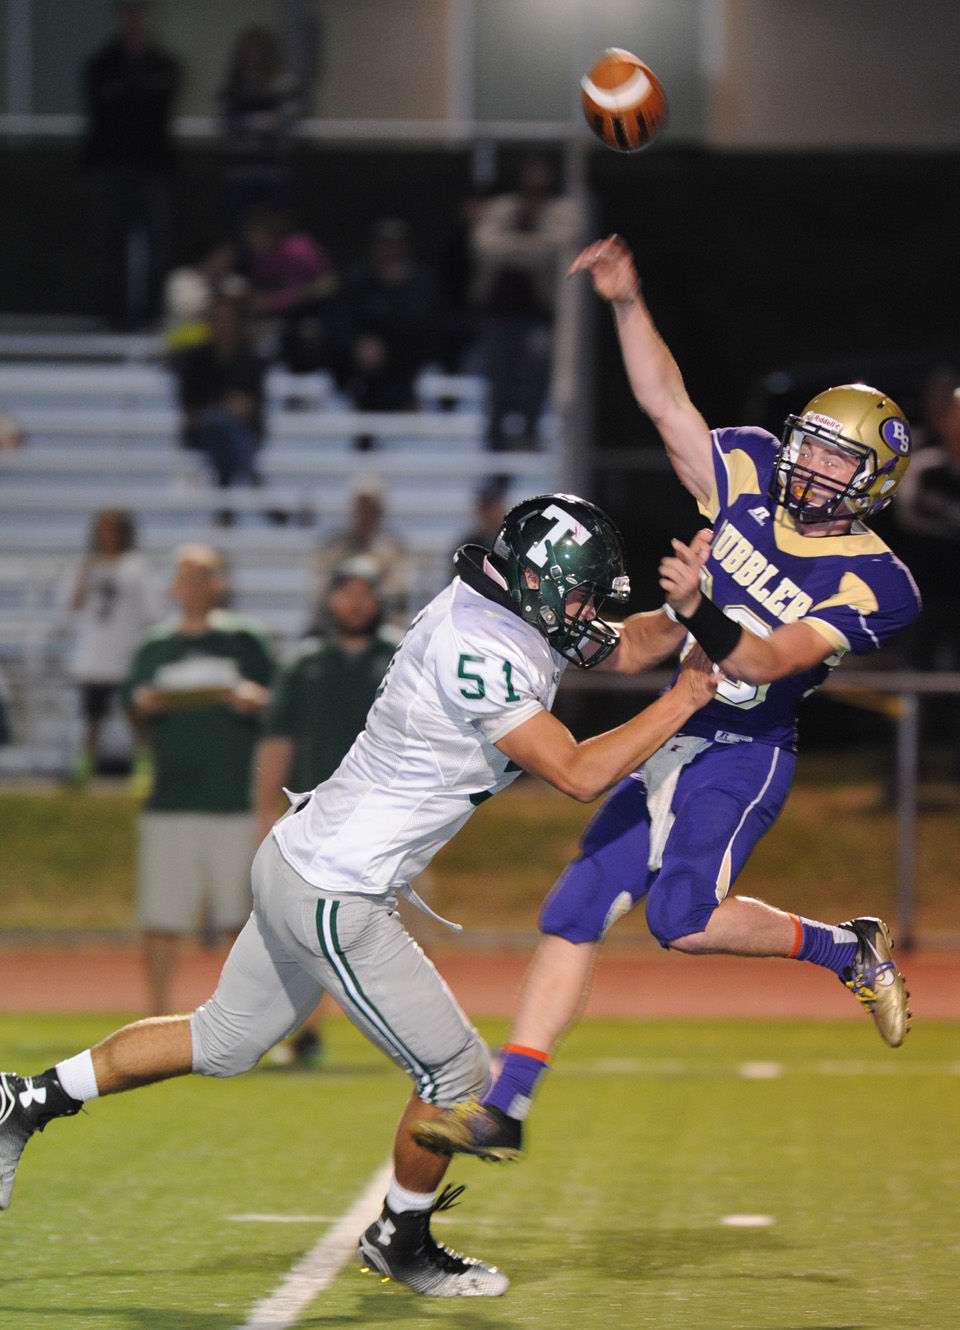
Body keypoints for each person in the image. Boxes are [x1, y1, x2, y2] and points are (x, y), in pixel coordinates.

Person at [0, 493, 718, 1300]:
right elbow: (580, 774)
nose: (587, 612)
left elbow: (625, 646)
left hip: (303, 856)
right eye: (579, 593)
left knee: (221, 1040)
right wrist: (684, 699)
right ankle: (401, 1239)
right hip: (336, 888)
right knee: (457, 1072)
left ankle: (27, 1099)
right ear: (535, 583)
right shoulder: (480, 642)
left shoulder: (505, 610)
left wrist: (685, 612)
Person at [414, 232, 922, 1166]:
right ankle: (505, 1106)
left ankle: (845, 949)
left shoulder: (876, 580)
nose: (810, 467)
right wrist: (624, 300)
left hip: (744, 747)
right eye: (810, 447)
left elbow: (768, 661)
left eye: (835, 461)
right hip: (673, 725)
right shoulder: (747, 477)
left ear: (872, 483)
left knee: (681, 924)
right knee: (574, 907)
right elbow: (665, 402)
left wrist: (695, 609)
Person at [254, 555, 399, 1067]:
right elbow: (279, 740)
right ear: (331, 598)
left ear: (379, 599)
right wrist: (264, 810)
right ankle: (307, 1033)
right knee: (310, 930)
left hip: (390, 817)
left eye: (366, 592)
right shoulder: (305, 664)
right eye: (347, 591)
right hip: (317, 818)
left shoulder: (403, 656)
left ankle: (415, 1034)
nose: (356, 603)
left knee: (396, 931)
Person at [126, 544, 275, 1016]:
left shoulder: (244, 639)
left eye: (202, 576)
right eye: (184, 576)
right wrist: (145, 705)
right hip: (171, 798)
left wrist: (253, 698)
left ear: (218, 584)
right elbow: (135, 716)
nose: (192, 586)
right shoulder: (155, 645)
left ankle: (245, 1018)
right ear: (173, 586)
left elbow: (277, 705)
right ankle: (156, 1016)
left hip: (232, 799)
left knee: (241, 919)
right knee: (161, 918)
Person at [468, 156, 582, 449]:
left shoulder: (561, 210)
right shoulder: (502, 207)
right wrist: (529, 246)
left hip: (538, 311)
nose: (534, 191)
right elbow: (485, 245)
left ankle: (530, 430)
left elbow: (554, 248)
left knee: (538, 372)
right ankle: (495, 435)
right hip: (498, 311)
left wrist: (513, 248)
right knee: (498, 373)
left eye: (540, 186)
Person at [81, 0, 181, 329]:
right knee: (110, 244)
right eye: (126, 12)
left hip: (151, 166)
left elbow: (157, 107)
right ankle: (112, 314)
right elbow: (104, 110)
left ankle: (151, 313)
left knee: (157, 245)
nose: (132, 19)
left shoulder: (162, 64)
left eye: (137, 12)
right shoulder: (101, 63)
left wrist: (129, 92)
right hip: (111, 165)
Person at [60, 509, 163, 785]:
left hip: (127, 655)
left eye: (115, 530)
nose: (109, 537)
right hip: (93, 656)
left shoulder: (138, 567)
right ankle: (84, 769)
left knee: (136, 717)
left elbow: (154, 611)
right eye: (104, 530)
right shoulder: (86, 567)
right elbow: (71, 606)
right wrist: (84, 577)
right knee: (91, 718)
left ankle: (144, 768)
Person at [892, 375, 960, 776]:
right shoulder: (925, 465)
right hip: (927, 598)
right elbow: (910, 514)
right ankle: (902, 776)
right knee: (912, 688)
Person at [329, 217, 440, 411]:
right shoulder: (358, 276)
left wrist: (385, 342)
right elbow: (342, 317)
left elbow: (420, 319)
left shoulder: (419, 279)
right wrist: (360, 342)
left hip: (403, 355)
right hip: (362, 355)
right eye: (383, 245)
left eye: (394, 245)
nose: (388, 251)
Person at [169, 283, 268, 494]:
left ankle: (226, 487)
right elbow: (190, 403)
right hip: (204, 429)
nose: (224, 326)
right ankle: (247, 476)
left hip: (239, 430)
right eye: (219, 320)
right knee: (218, 425)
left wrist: (241, 409)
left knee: (227, 432)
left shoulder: (251, 360)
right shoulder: (195, 360)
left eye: (229, 320)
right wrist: (226, 406)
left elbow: (256, 405)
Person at [216, 25, 301, 240]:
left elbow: (285, 124)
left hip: (272, 171)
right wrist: (260, 122)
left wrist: (248, 124)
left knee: (274, 233)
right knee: (237, 232)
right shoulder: (231, 86)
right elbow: (226, 126)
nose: (253, 58)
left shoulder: (282, 85)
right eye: (248, 52)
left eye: (257, 52)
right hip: (240, 171)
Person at [312, 474, 410, 630]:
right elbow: (322, 588)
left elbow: (398, 591)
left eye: (371, 507)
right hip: (335, 624)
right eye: (361, 506)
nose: (366, 513)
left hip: (381, 623)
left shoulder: (391, 548)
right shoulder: (334, 546)